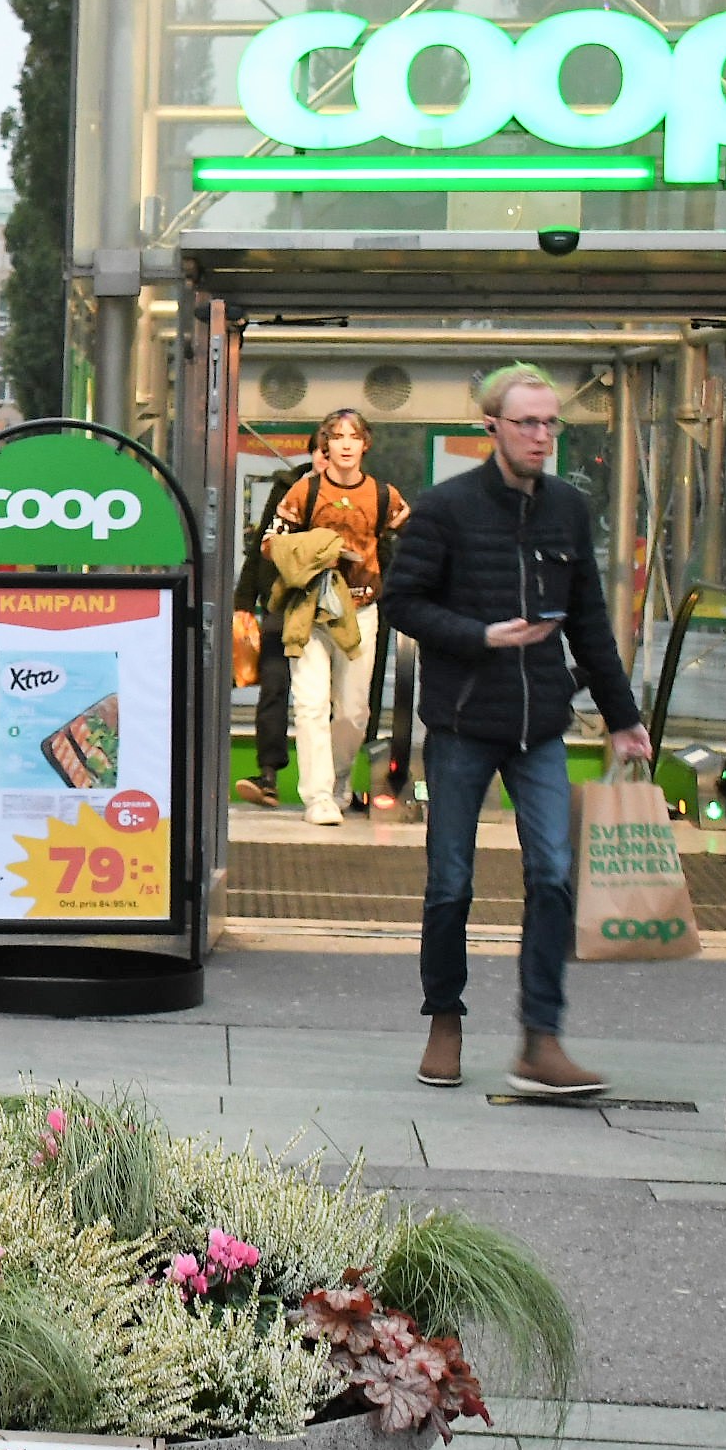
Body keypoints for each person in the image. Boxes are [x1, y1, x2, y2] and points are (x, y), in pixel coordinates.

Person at [384, 363, 651, 1095]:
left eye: (550, 422)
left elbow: (591, 620)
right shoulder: (445, 509)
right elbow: (400, 603)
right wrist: (481, 636)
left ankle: (542, 1037)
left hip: (542, 723)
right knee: (451, 882)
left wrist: (624, 719)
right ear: (491, 427)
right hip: (464, 721)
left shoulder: (568, 507)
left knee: (554, 874)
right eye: (526, 422)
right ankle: (445, 1017)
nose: (541, 435)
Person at [263, 411, 407, 826]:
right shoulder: (303, 491)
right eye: (337, 437)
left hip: (361, 609)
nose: (345, 444)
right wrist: (317, 549)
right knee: (310, 704)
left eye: (353, 437)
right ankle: (319, 796)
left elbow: (414, 536)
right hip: (310, 607)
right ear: (325, 445)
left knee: (353, 711)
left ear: (366, 444)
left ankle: (340, 778)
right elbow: (271, 544)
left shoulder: (384, 495)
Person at [232, 439, 318, 807]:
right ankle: (267, 773)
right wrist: (243, 602)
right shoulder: (288, 488)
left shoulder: (363, 493)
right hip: (281, 603)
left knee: (327, 698)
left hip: (331, 608)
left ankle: (330, 781)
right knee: (275, 686)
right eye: (324, 449)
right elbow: (261, 547)